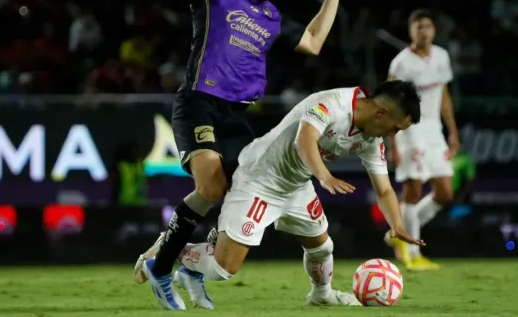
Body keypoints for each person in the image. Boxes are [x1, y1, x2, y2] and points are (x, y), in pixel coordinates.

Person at [133, 0, 342, 310]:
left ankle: (172, 255)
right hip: (199, 104)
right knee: (211, 186)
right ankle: (162, 265)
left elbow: (314, 43)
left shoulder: (271, 18)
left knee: (241, 190)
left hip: (236, 115)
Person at [143, 80, 425, 309]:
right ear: (381, 113)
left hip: (296, 185)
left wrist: (397, 225)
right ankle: (171, 248)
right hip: (260, 180)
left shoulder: (370, 138)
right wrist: (324, 176)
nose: (392, 136)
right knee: (223, 269)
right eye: (395, 129)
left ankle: (321, 294)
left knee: (322, 247)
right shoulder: (334, 104)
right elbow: (305, 140)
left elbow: (384, 188)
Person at [384, 9, 460, 271]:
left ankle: (399, 231)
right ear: (411, 31)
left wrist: (452, 131)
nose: (423, 31)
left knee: (445, 192)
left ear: (434, 30)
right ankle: (411, 252)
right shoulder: (401, 64)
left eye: (427, 26)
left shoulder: (442, 56)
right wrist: (392, 142)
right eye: (418, 26)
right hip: (410, 129)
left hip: (434, 130)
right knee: (414, 189)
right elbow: (390, 104)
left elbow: (444, 96)